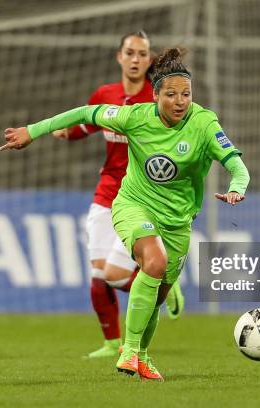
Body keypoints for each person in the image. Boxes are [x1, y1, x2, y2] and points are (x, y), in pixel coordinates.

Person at [0, 47, 250, 381]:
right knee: (154, 263)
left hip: (178, 222)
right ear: (155, 94)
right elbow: (85, 113)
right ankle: (128, 351)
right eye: (171, 94)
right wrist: (33, 130)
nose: (180, 101)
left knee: (157, 294)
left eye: (186, 94)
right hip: (133, 205)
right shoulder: (134, 116)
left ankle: (142, 356)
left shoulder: (204, 123)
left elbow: (235, 163)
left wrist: (238, 186)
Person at [52, 31, 184, 358]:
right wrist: (66, 132)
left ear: (150, 60)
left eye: (142, 54)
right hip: (107, 190)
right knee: (99, 276)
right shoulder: (106, 94)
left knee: (113, 275)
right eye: (130, 53)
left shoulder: (156, 102)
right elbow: (87, 125)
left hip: (141, 198)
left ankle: (163, 286)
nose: (136, 59)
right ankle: (113, 343)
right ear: (119, 57)